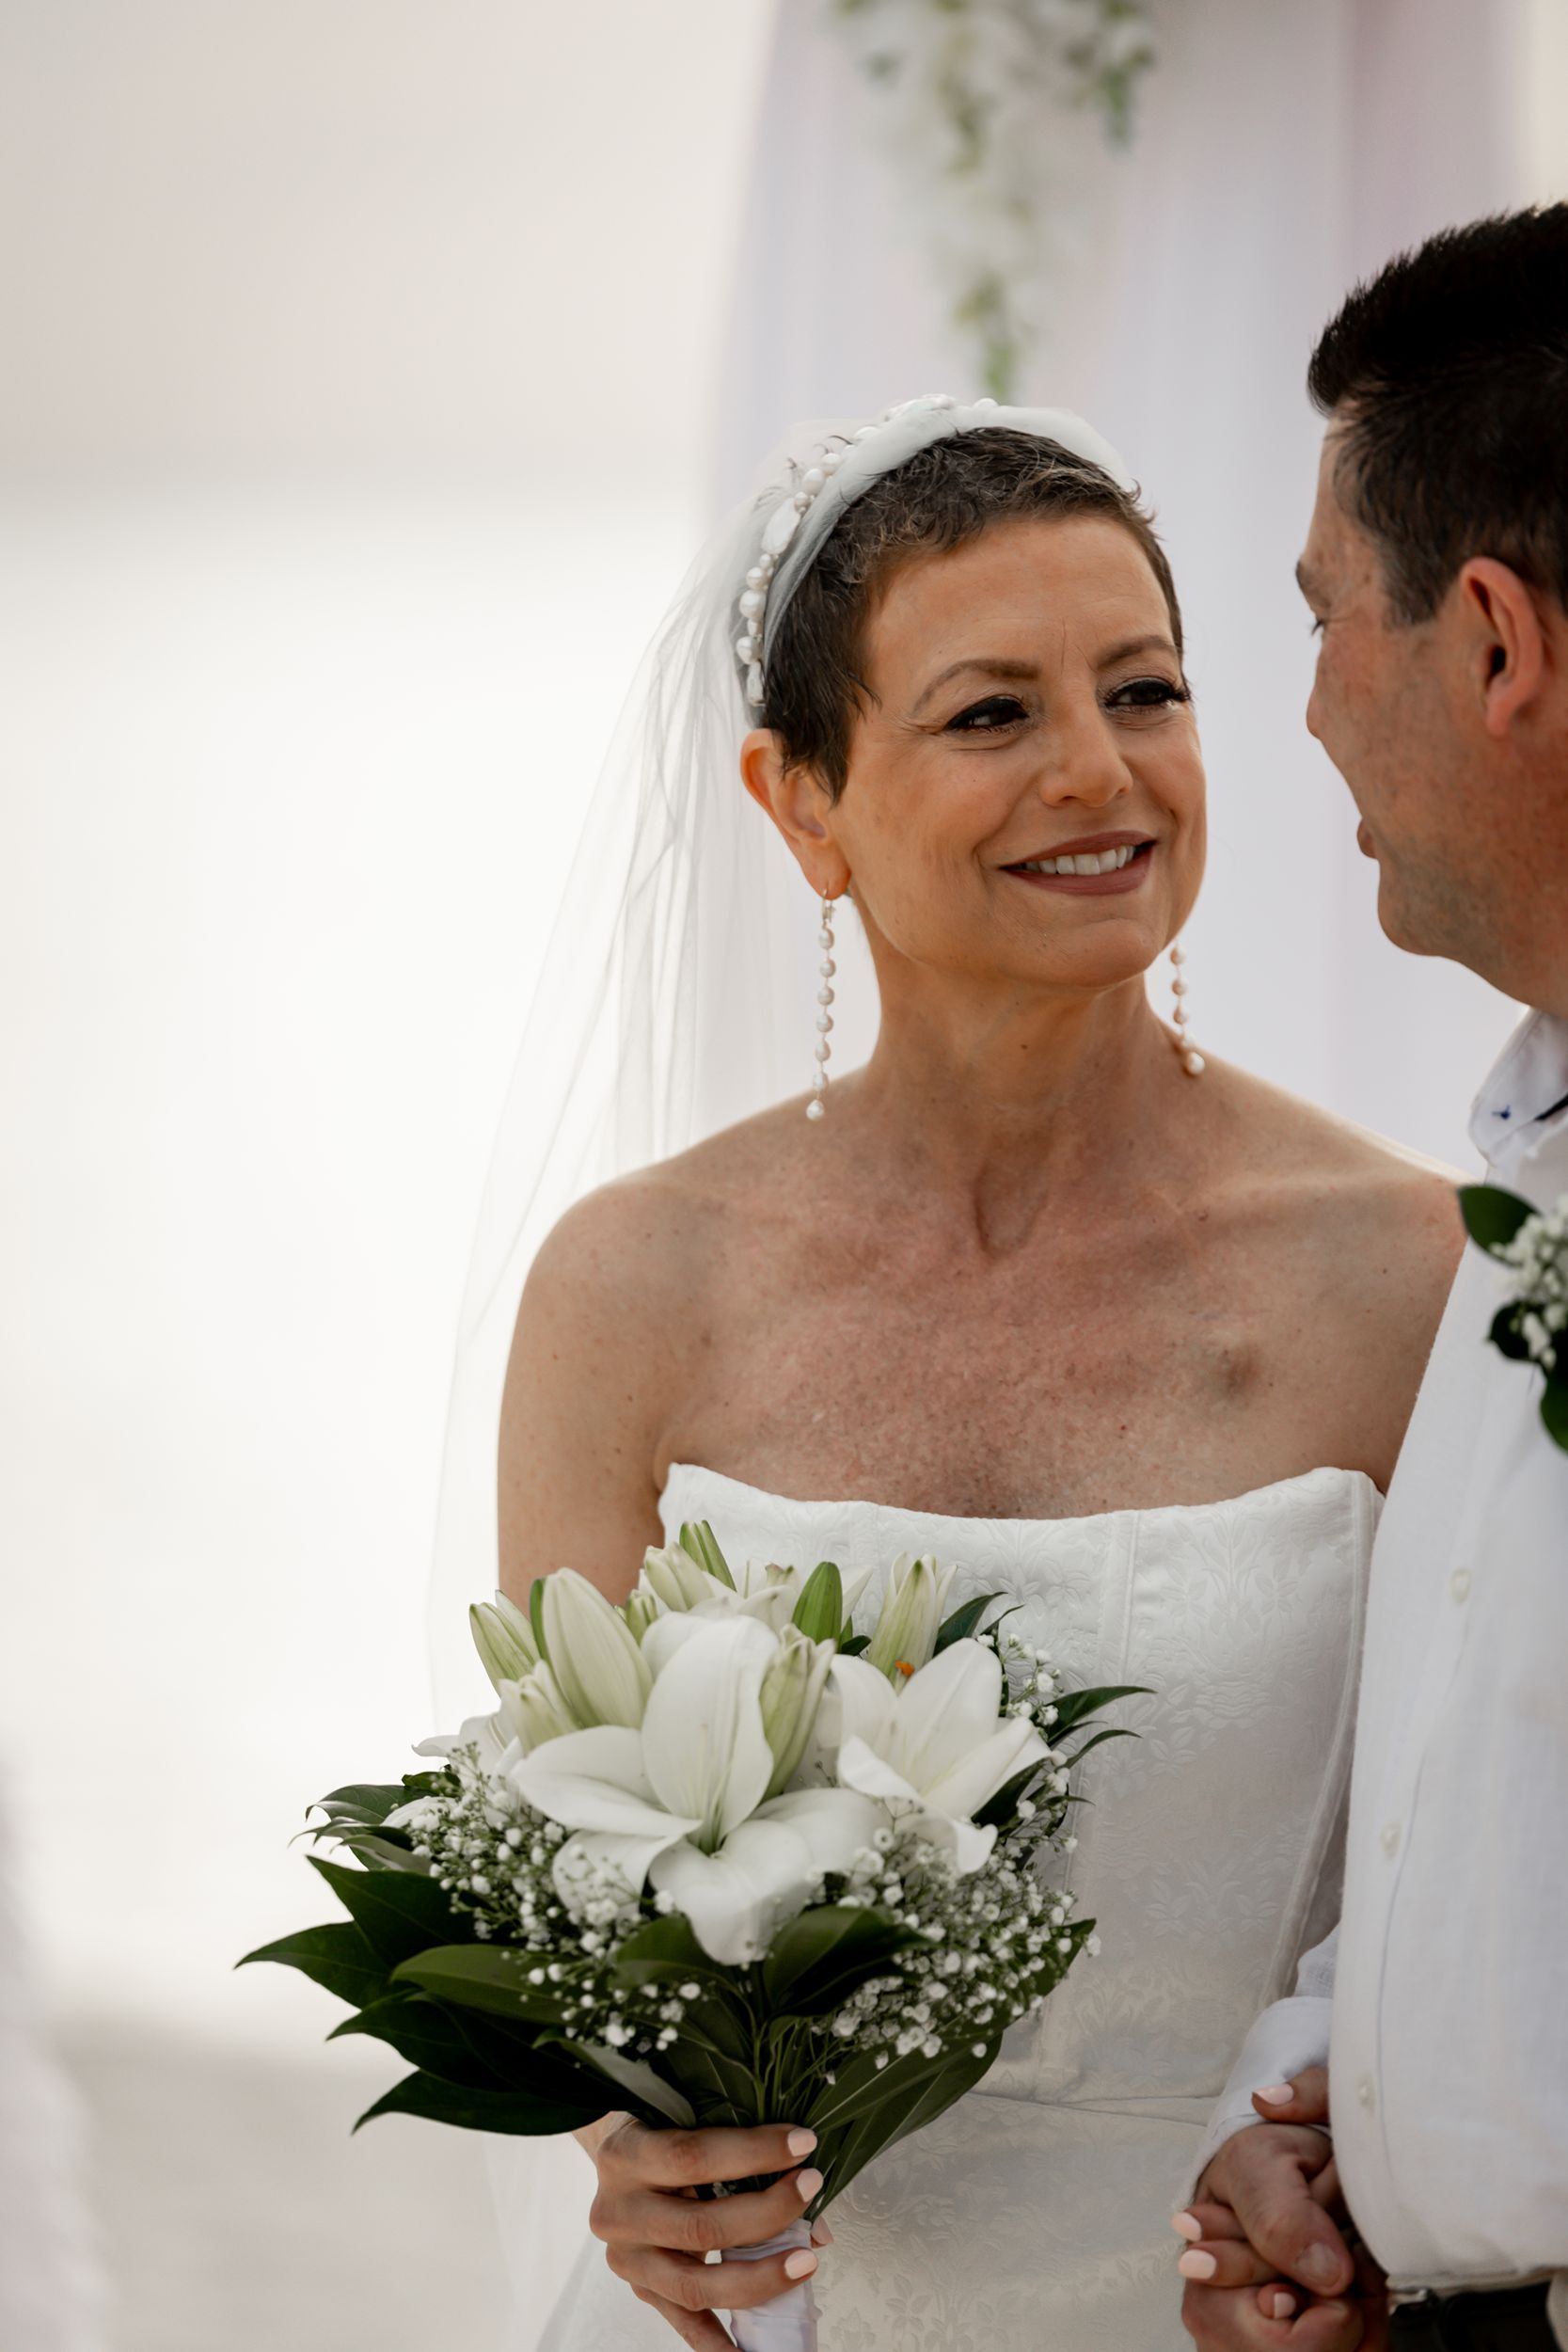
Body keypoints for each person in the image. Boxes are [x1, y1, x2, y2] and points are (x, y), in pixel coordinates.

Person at [491, 398, 1461, 2351]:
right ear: (802, 800)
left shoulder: (1408, 1272)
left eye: (1149, 688)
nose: (1102, 771)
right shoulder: (634, 1287)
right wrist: (634, 2136)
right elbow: (575, 1886)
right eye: (991, 713)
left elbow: (1479, 1889)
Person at [1176, 209, 1568, 2352]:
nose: (1304, 702)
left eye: (1328, 617)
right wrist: (1329, 2114)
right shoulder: (1520, 1156)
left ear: (1491, 637)